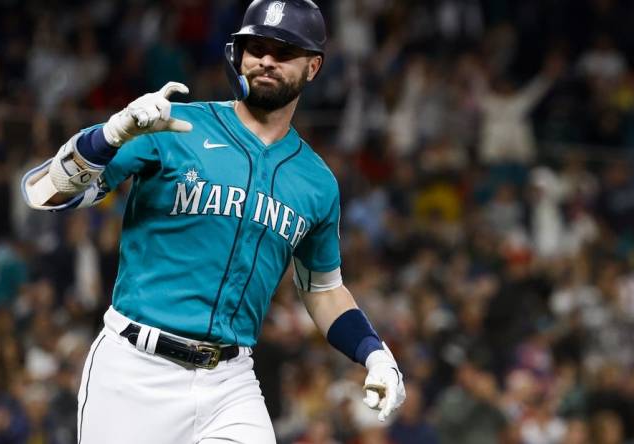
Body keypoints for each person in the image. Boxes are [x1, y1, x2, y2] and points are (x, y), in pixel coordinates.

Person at [21, 1, 405, 442]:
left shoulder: (316, 182)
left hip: (230, 380)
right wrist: (108, 135)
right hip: (134, 371)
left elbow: (322, 289)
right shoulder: (172, 124)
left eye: (283, 51)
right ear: (237, 54)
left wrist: (374, 354)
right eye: (255, 47)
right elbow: (43, 192)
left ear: (313, 67)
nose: (265, 59)